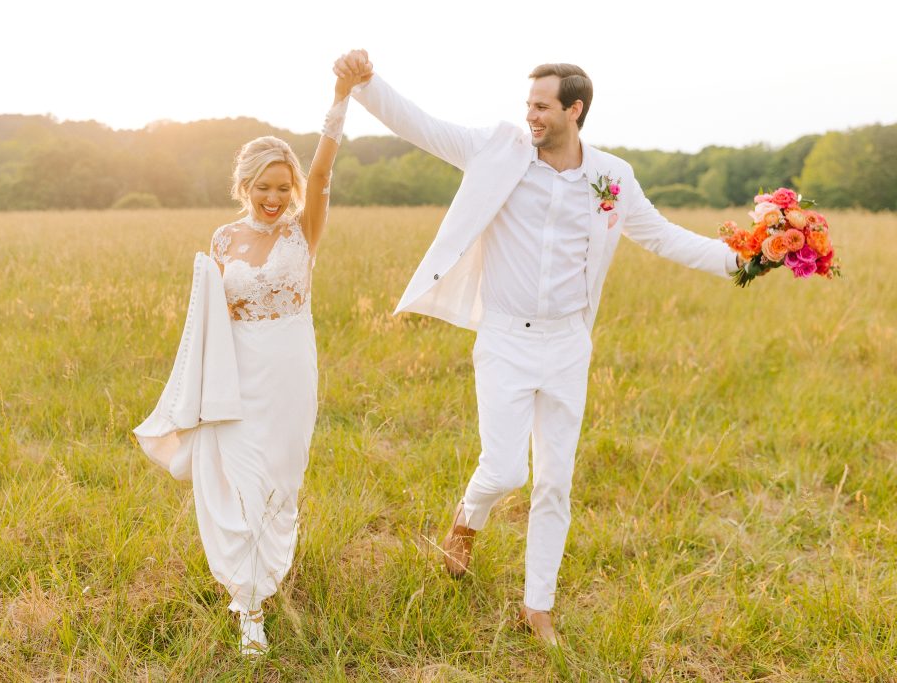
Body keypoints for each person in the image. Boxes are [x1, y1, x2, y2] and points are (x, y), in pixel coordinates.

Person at [333, 50, 740, 646]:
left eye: (542, 106)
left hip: (568, 343)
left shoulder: (612, 177)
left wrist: (745, 261)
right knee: (503, 471)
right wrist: (366, 84)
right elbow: (423, 127)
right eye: (528, 105)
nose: (531, 116)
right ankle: (466, 522)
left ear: (575, 110)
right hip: (505, 336)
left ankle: (537, 606)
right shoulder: (500, 150)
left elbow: (664, 237)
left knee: (556, 481)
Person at [138, 69, 367, 657]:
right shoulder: (220, 241)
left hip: (290, 369)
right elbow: (210, 319)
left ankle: (267, 577)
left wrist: (339, 101)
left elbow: (321, 172)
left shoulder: (305, 230)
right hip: (235, 376)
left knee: (278, 483)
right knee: (237, 481)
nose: (273, 198)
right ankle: (250, 607)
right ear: (245, 185)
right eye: (264, 187)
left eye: (282, 188)